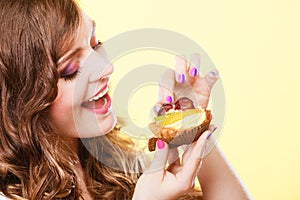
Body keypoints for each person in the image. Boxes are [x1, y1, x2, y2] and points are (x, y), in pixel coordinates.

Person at [0, 0, 251, 199]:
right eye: (71, 68)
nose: (106, 67)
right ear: (19, 101)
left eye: (96, 44)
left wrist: (190, 126)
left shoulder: (123, 163)